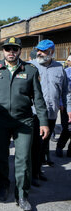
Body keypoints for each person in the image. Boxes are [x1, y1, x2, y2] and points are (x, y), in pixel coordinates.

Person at [0, 37, 49, 211]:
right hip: (0, 120)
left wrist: (43, 122)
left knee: (23, 158)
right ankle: (3, 185)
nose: (11, 52)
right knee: (0, 156)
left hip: (24, 121)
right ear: (3, 51)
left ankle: (22, 194)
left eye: (15, 49)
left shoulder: (30, 70)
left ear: (20, 51)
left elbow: (38, 98)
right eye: (8, 49)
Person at [30, 40, 69, 168]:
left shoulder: (59, 68)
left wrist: (67, 108)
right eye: (38, 50)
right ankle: (34, 172)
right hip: (34, 113)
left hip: (52, 112)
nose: (39, 53)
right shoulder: (30, 66)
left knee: (45, 141)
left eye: (43, 51)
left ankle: (40, 165)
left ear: (51, 52)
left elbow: (65, 91)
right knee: (35, 143)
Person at [56, 59, 71, 157]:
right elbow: (62, 89)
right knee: (68, 128)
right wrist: (61, 103)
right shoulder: (66, 72)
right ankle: (59, 146)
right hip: (66, 105)